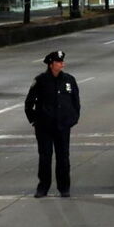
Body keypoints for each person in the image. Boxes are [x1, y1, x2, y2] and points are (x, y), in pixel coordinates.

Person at [25, 50, 80, 198]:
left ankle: (64, 187)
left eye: (62, 61)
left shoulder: (69, 80)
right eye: (58, 62)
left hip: (62, 126)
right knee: (45, 157)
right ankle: (43, 187)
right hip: (44, 126)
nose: (62, 64)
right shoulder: (41, 81)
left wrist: (72, 119)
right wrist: (34, 120)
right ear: (51, 64)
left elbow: (75, 101)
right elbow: (29, 103)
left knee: (63, 157)